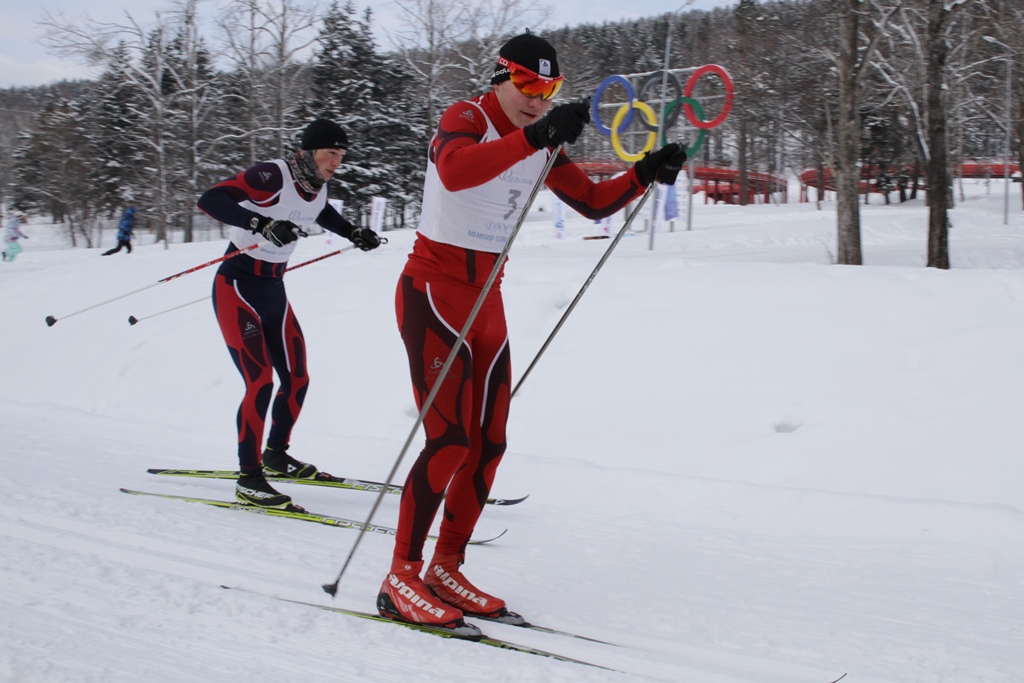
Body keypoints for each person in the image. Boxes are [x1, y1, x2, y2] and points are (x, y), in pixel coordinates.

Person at [377, 31, 687, 632]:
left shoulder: (539, 139)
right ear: (501, 76)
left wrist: (644, 172)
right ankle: (400, 577)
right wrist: (535, 138)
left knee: (489, 443)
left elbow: (594, 203)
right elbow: (456, 170)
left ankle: (446, 567)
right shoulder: (467, 116)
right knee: (449, 443)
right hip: (434, 295)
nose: (538, 99)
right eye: (527, 84)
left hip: (487, 300)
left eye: (549, 89)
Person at [196, 118, 383, 510]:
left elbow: (319, 211)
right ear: (309, 151)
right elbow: (211, 199)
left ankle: (276, 455)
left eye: (342, 155)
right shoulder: (272, 175)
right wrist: (260, 223)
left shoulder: (317, 185)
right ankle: (249, 479)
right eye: (331, 153)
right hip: (237, 287)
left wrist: (353, 232)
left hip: (273, 290)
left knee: (297, 378)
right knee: (260, 382)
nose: (337, 161)